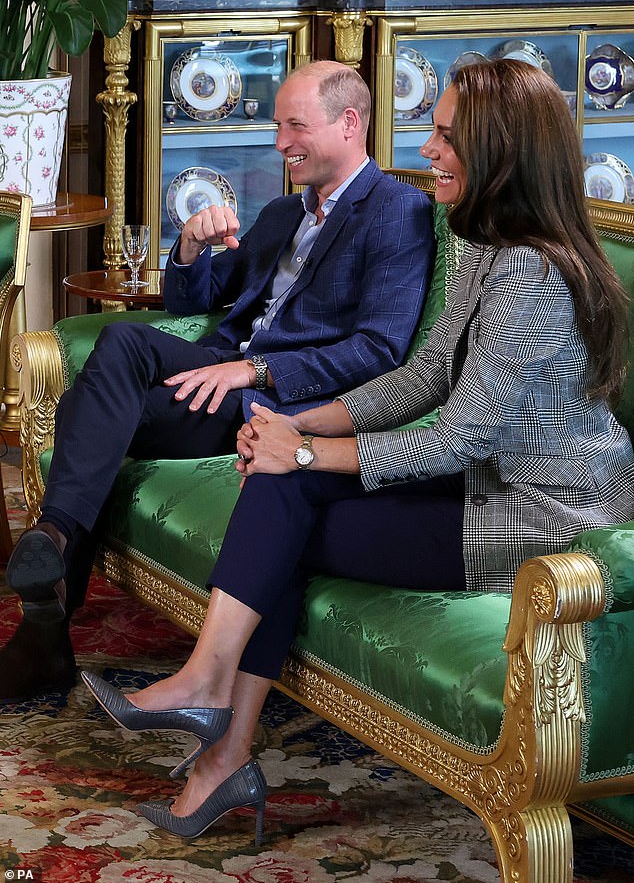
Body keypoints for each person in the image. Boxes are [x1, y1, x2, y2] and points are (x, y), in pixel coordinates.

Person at [82, 57, 634, 842]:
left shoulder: (534, 273)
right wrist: (300, 425)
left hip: (542, 515)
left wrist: (300, 454)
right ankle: (219, 733)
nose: (429, 151)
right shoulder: (479, 241)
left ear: (501, 151)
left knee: (286, 505)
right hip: (482, 476)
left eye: (445, 138)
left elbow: (458, 436)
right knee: (278, 485)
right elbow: (423, 377)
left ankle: (220, 739)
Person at [0, 61, 435, 703]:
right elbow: (194, 300)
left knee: (91, 404)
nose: (281, 143)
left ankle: (48, 604)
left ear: (349, 124)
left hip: (278, 403)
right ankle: (52, 577)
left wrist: (257, 367)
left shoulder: (398, 212)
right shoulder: (287, 210)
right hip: (219, 373)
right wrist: (189, 248)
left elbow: (380, 350)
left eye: (295, 126)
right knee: (104, 387)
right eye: (278, 125)